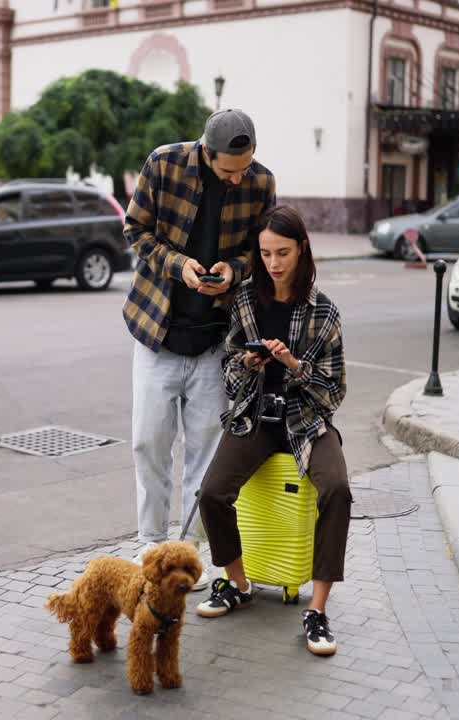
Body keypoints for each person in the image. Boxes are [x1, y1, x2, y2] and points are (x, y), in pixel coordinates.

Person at [122, 109, 277, 589]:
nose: (237, 179)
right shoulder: (164, 164)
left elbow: (262, 248)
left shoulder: (261, 182)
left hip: (216, 340)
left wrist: (234, 269)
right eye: (229, 170)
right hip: (157, 332)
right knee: (149, 442)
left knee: (206, 455)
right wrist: (179, 264)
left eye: (244, 169)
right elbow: (136, 231)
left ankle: (189, 552)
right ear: (206, 152)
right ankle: (152, 543)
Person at [193, 205, 351, 658]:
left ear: (302, 249)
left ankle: (317, 610)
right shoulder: (244, 301)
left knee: (337, 489)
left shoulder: (324, 313)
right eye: (265, 253)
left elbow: (334, 394)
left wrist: (294, 366)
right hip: (256, 416)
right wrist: (247, 362)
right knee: (212, 494)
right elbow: (227, 374)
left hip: (307, 421)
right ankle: (239, 583)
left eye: (282, 252)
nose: (274, 263)